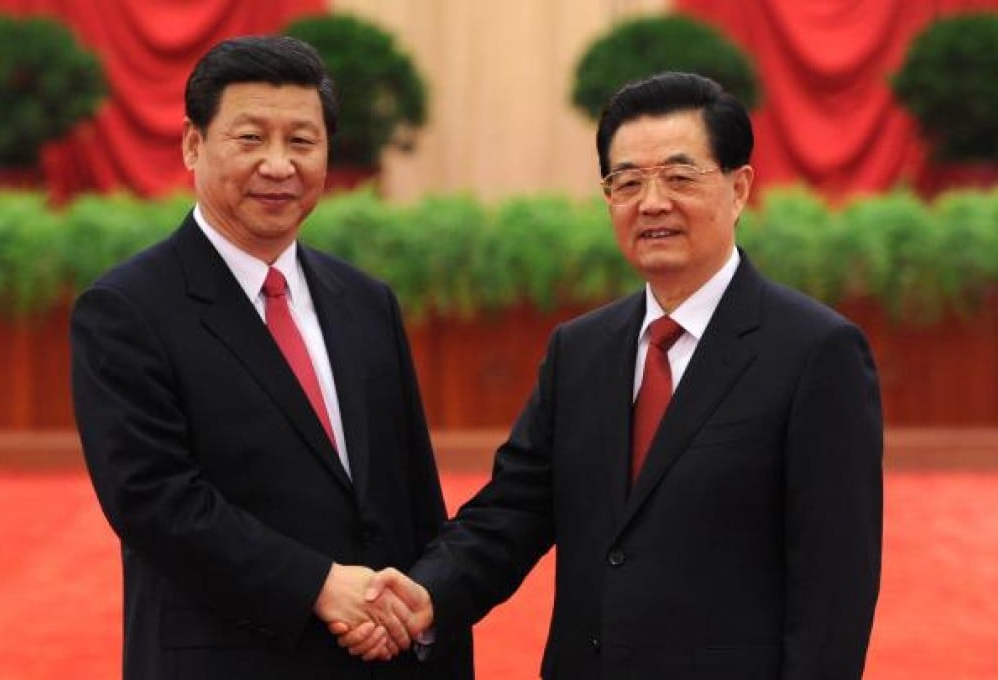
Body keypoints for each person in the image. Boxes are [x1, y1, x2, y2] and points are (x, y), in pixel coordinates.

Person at [343, 72, 883, 679]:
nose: (651, 203)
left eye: (679, 177)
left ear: (739, 189)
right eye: (626, 182)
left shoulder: (815, 352)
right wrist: (427, 594)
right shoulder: (581, 350)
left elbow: (834, 590)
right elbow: (512, 511)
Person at [71, 35, 472, 680]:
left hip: (381, 660)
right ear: (192, 144)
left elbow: (415, 501)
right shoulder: (127, 309)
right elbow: (154, 502)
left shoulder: (366, 301)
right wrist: (318, 584)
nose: (279, 165)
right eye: (251, 138)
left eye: (302, 141)